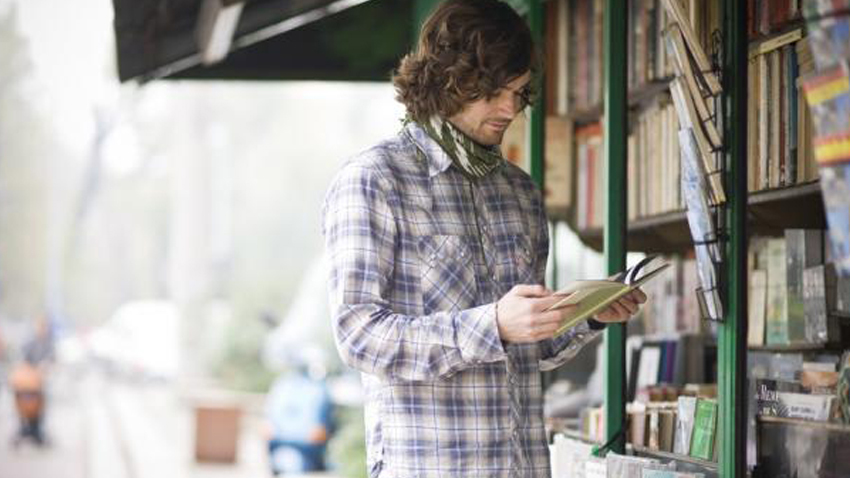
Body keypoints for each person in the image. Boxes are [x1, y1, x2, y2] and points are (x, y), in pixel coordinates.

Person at [321, 1, 646, 476]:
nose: (510, 108)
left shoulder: (520, 192)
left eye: (518, 91)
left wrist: (587, 314)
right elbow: (358, 336)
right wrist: (492, 324)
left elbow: (528, 348)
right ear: (447, 80)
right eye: (493, 91)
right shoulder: (374, 180)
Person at [264, 358, 334, 475]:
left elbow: (318, 434)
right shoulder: (283, 386)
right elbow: (267, 429)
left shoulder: (318, 390)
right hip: (286, 450)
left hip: (305, 455)